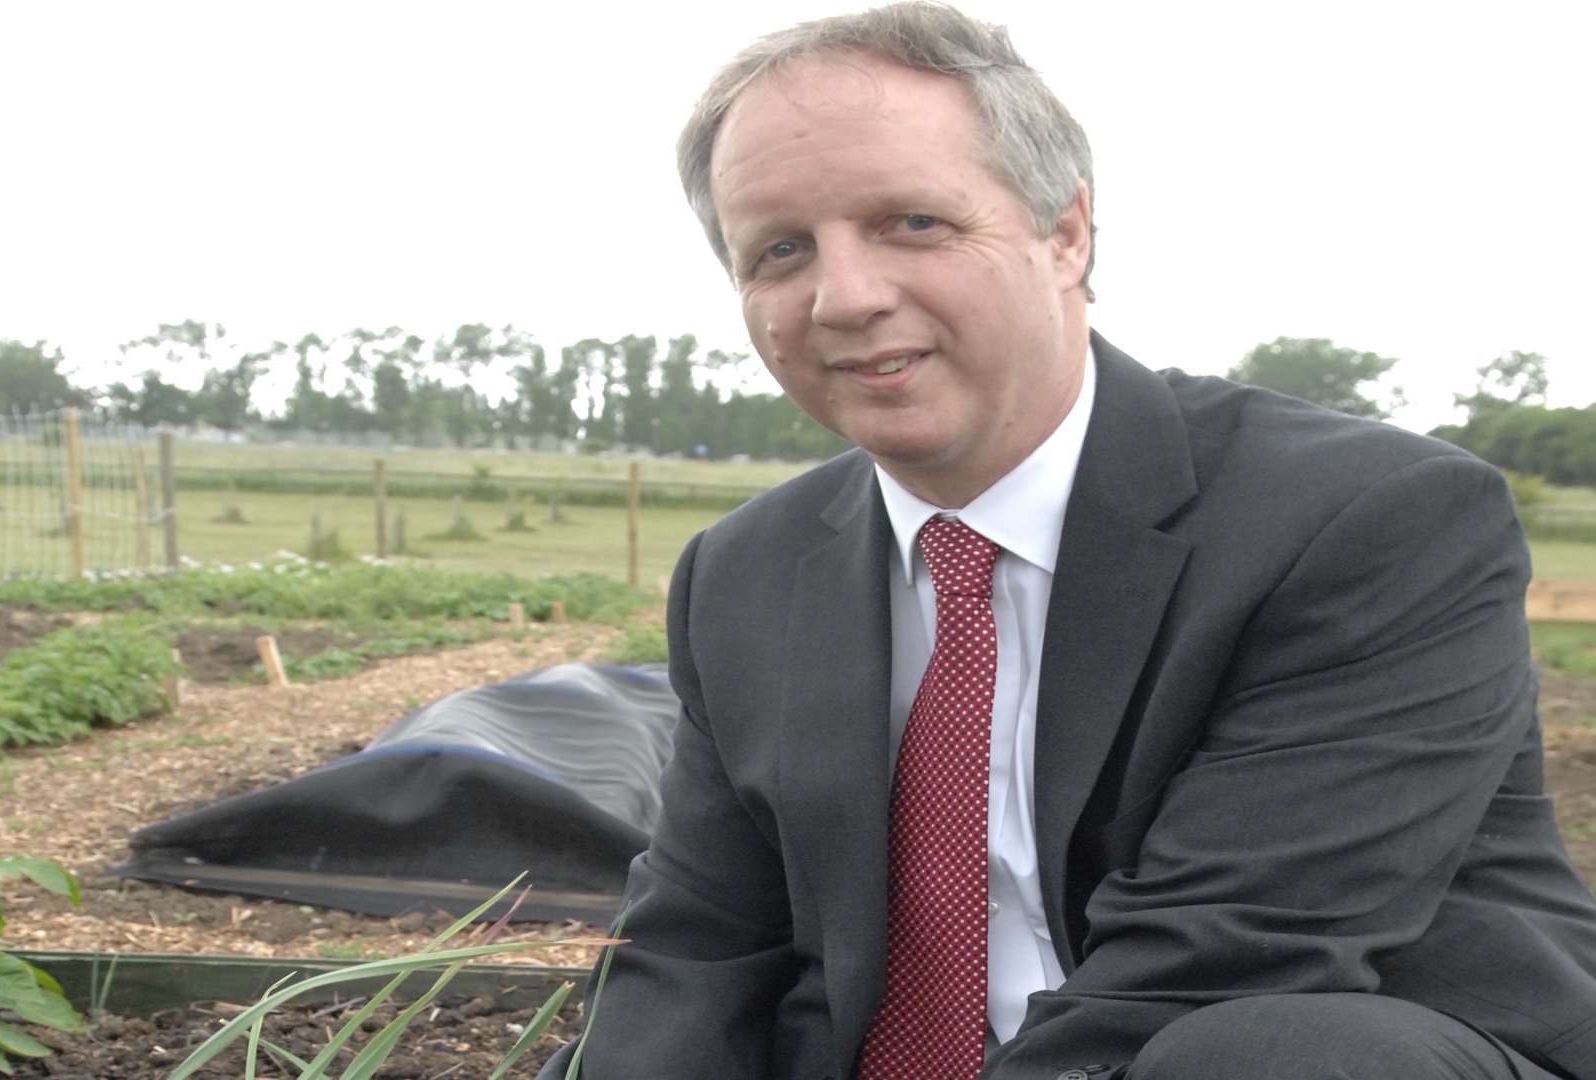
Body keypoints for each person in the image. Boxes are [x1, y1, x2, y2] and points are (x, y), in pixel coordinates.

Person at [537, 3, 1596, 1079]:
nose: (843, 298)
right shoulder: (744, 574)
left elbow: (1222, 956)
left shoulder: (1365, 523)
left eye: (914, 222)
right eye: (780, 250)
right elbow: (700, 946)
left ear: (1068, 233)